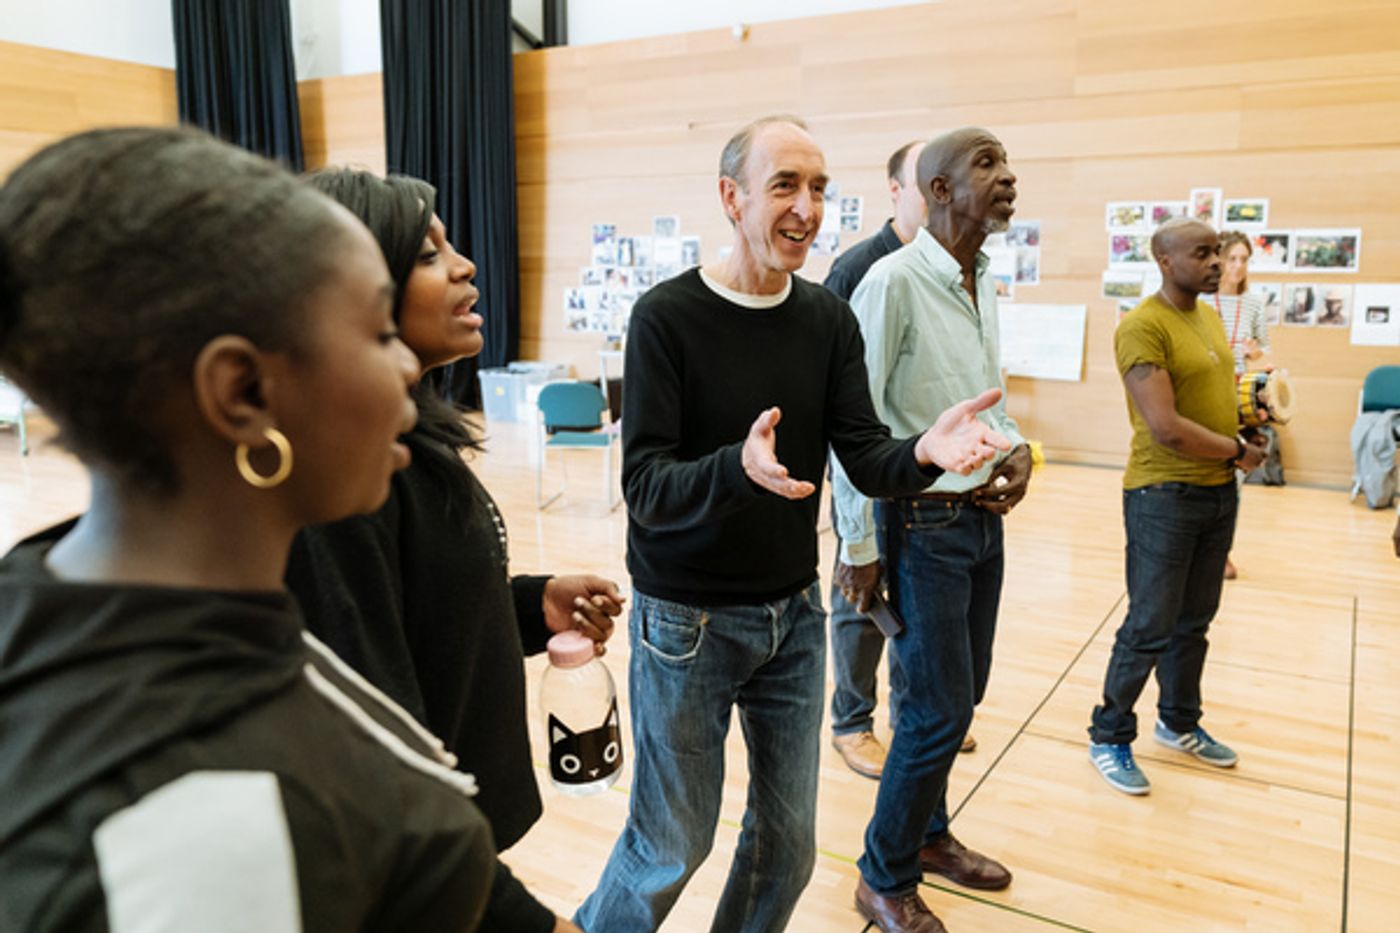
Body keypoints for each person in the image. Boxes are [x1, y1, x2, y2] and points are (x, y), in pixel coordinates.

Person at [0, 127, 496, 930]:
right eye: (377, 333)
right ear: (242, 392)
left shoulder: (40, 597)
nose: (406, 365)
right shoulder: (247, 822)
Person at [573, 114, 1012, 933]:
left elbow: (867, 456)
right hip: (686, 621)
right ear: (731, 197)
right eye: (785, 186)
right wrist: (733, 469)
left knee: (789, 846)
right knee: (673, 840)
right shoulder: (667, 317)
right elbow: (646, 487)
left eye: (818, 188)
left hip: (792, 619)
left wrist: (926, 451)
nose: (808, 208)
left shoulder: (825, 319)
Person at [285, 168, 623, 933]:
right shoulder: (338, 483)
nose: (467, 265)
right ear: (354, 289)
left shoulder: (410, 437)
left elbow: (420, 606)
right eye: (430, 254)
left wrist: (532, 603)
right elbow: (379, 756)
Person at [837, 127, 1031, 933]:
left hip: (980, 519)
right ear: (938, 191)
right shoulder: (890, 282)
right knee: (933, 709)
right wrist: (860, 548)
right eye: (986, 163)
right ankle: (883, 874)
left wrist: (1020, 455)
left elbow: (990, 400)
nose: (1008, 175)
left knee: (962, 695)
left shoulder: (980, 276)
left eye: (1007, 160)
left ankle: (930, 833)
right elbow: (852, 430)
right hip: (917, 520)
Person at [1087, 218, 1266, 798]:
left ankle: (1178, 722)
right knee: (1149, 624)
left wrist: (1246, 424)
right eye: (1203, 253)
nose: (1217, 263)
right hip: (1163, 494)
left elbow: (1207, 402)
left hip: (1217, 491)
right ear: (1164, 260)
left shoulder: (1208, 316)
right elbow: (1165, 427)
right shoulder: (1141, 326)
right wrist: (1238, 451)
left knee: (1195, 622)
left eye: (1219, 252)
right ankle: (1108, 735)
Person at [824, 138, 968, 780]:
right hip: (870, 471)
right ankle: (852, 721)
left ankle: (917, 717)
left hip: (931, 482)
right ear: (897, 190)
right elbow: (835, 395)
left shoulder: (952, 266)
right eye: (924, 180)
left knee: (917, 606)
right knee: (863, 593)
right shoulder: (861, 269)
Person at [1212, 229, 1273, 579]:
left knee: (1235, 478)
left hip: (1240, 394)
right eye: (1232, 258)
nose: (1238, 266)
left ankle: (1223, 552)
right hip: (1208, 389)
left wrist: (1255, 352)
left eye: (1244, 260)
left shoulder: (1253, 302)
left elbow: (1264, 350)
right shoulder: (1203, 301)